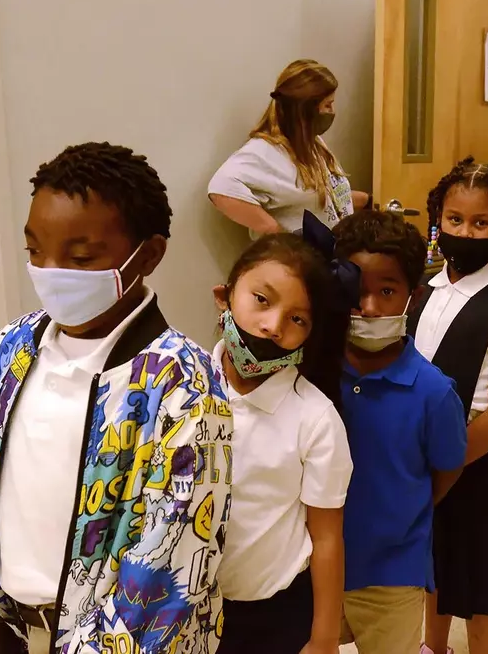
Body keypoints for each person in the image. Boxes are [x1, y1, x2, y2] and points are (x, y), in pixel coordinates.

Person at [0, 142, 232, 654]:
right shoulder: (9, 349)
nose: (50, 271)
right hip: (11, 628)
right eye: (35, 252)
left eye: (80, 258)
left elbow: (171, 552)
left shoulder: (183, 385)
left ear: (148, 255)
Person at [212, 215, 356, 654]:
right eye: (261, 300)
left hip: (272, 615)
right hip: (185, 607)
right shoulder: (181, 385)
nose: (273, 326)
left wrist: (325, 637)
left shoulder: (315, 418)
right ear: (223, 296)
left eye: (297, 319)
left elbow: (326, 536)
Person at [409, 157, 488, 654]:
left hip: (477, 458)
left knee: (482, 575)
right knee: (435, 560)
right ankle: (433, 646)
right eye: (454, 219)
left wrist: (447, 462)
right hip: (422, 458)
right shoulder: (423, 292)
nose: (464, 232)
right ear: (437, 220)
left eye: (480, 223)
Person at [332, 210, 468, 654]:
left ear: (414, 296)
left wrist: (402, 511)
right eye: (356, 291)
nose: (370, 307)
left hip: (393, 573)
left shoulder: (433, 393)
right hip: (314, 564)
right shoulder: (315, 375)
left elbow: (446, 470)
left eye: (387, 291)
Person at [208, 59, 368, 237]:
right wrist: (272, 230)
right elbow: (221, 187)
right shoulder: (266, 152)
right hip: (300, 255)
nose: (332, 111)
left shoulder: (314, 143)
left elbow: (315, 198)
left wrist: (366, 201)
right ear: (305, 111)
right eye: (328, 105)